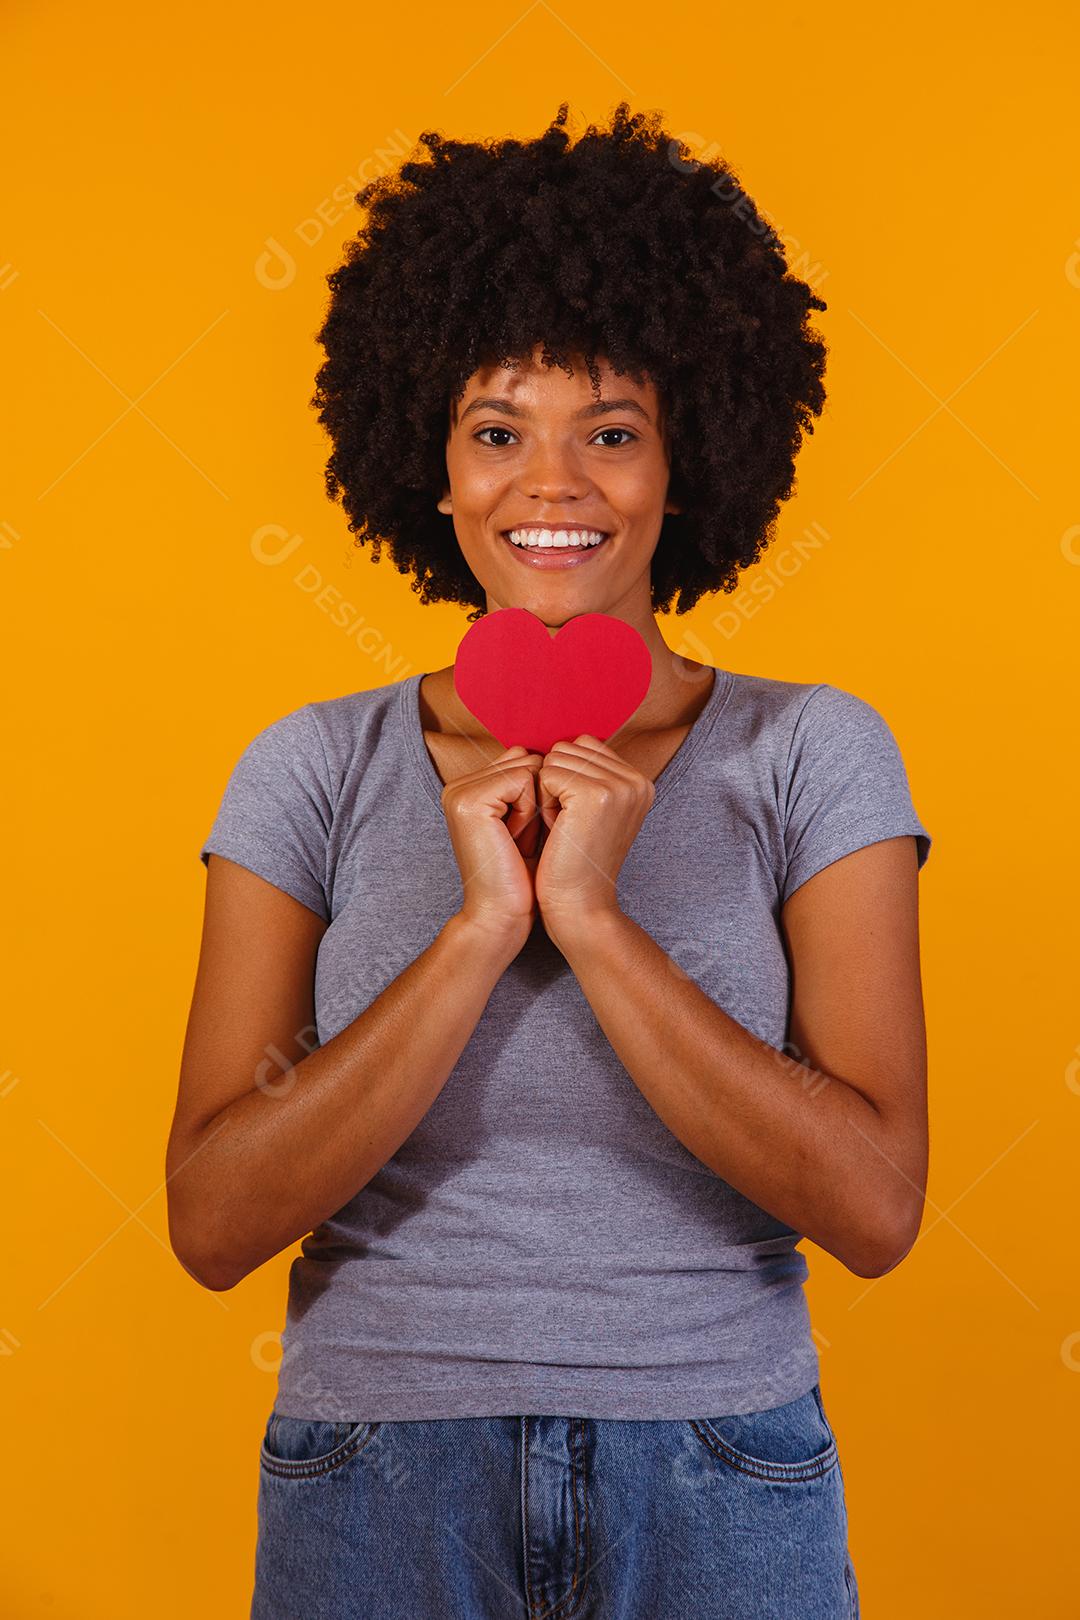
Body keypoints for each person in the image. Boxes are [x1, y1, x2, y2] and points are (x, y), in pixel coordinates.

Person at [167, 102, 932, 1619]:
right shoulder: (314, 767)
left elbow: (875, 1206)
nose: (553, 485)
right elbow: (213, 1219)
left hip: (720, 1468)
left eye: (613, 430)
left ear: (689, 456)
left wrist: (592, 920)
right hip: (377, 1471)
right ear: (431, 468)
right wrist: (475, 933)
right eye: (498, 431)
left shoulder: (811, 754)